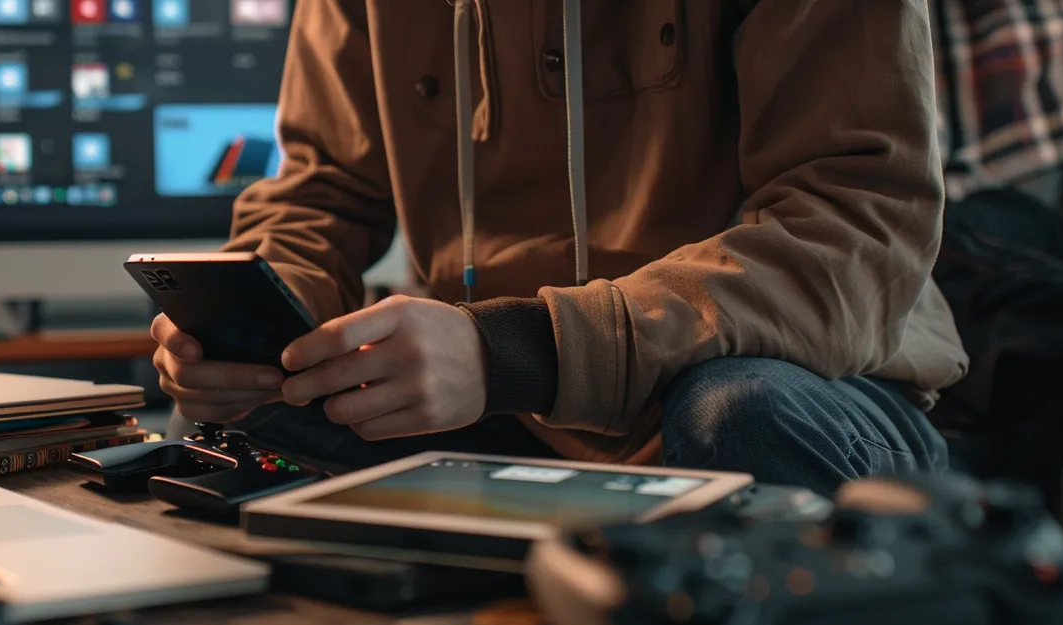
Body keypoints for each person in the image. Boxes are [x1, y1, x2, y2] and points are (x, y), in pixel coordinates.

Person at [154, 0, 969, 496]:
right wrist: (258, 327)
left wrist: (512, 351)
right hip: (494, 408)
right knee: (256, 423)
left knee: (738, 414)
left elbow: (853, 227)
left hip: (781, 386)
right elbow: (324, 187)